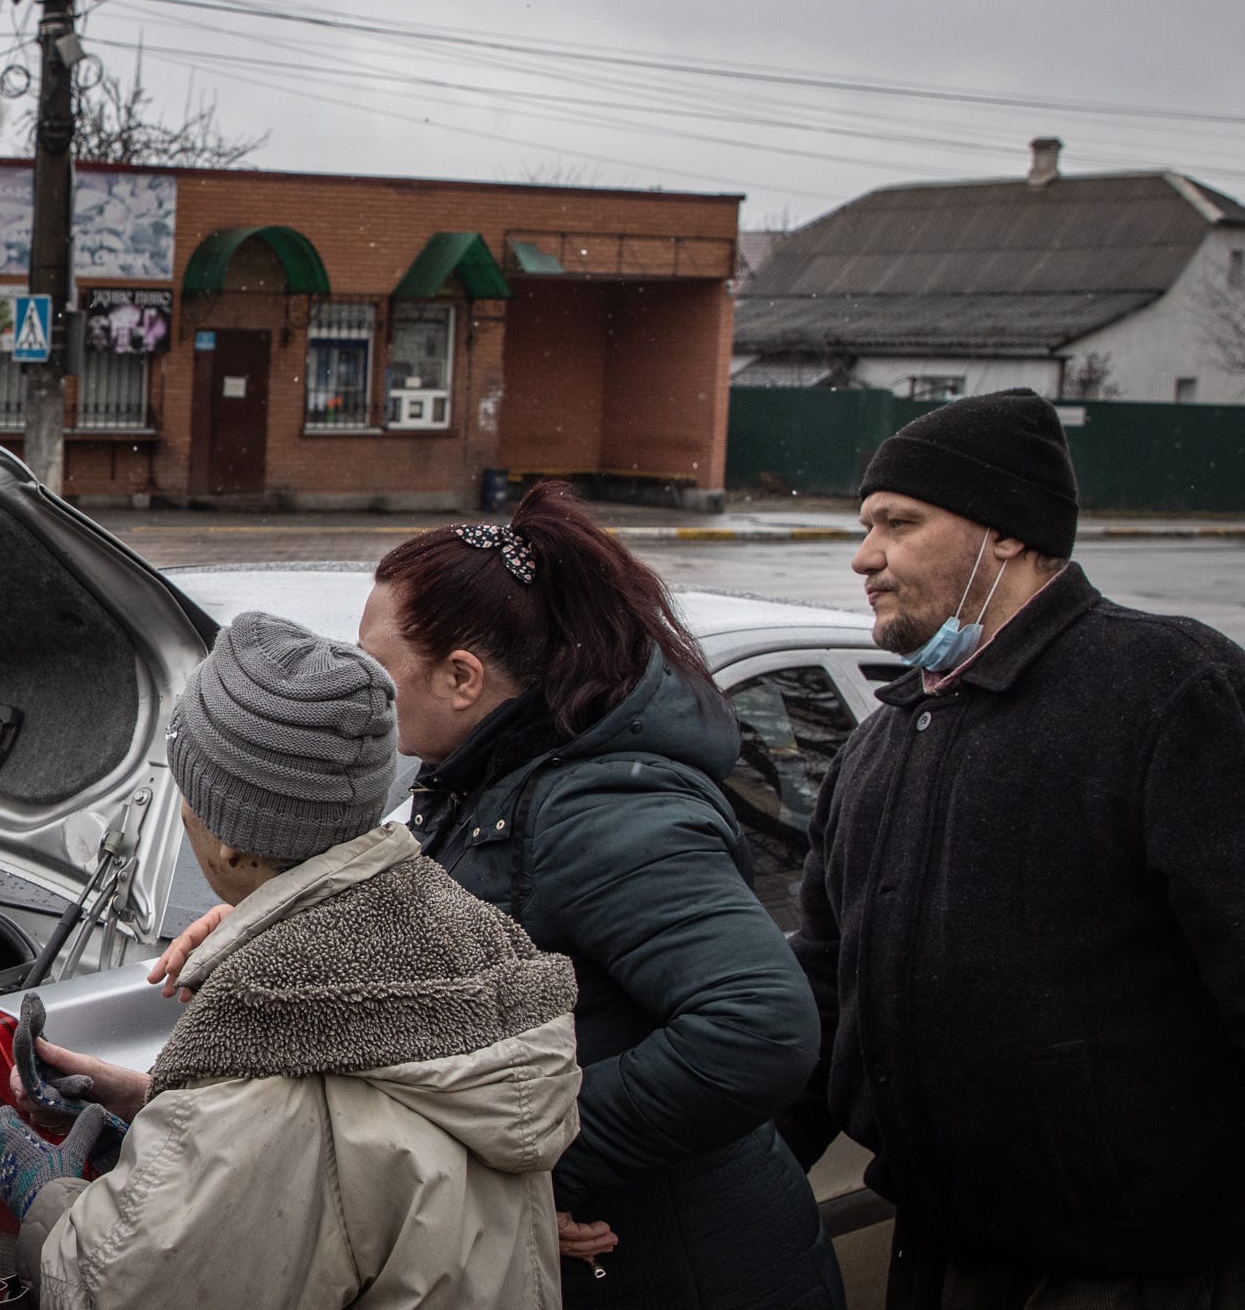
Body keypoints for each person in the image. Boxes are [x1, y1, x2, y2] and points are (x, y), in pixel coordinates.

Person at [783, 390, 1245, 1310]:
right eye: (865, 525)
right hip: (942, 1244)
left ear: (1005, 531)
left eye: (899, 523)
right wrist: (730, 1168)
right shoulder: (884, 743)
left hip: (1139, 1266)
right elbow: (826, 991)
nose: (864, 555)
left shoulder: (1169, 691)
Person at [219, 480, 838, 1307]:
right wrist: (271, 932)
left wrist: (540, 1159)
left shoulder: (604, 809)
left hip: (689, 1274)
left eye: (377, 665)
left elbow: (760, 1027)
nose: (363, 688)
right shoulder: (483, 780)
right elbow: (451, 954)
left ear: (462, 677)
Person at [0, 611, 584, 1310]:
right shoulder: (448, 949)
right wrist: (147, 1103)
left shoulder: (267, 1071)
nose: (182, 811)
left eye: (188, 791)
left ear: (233, 842)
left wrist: (49, 1202)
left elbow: (114, 1288)